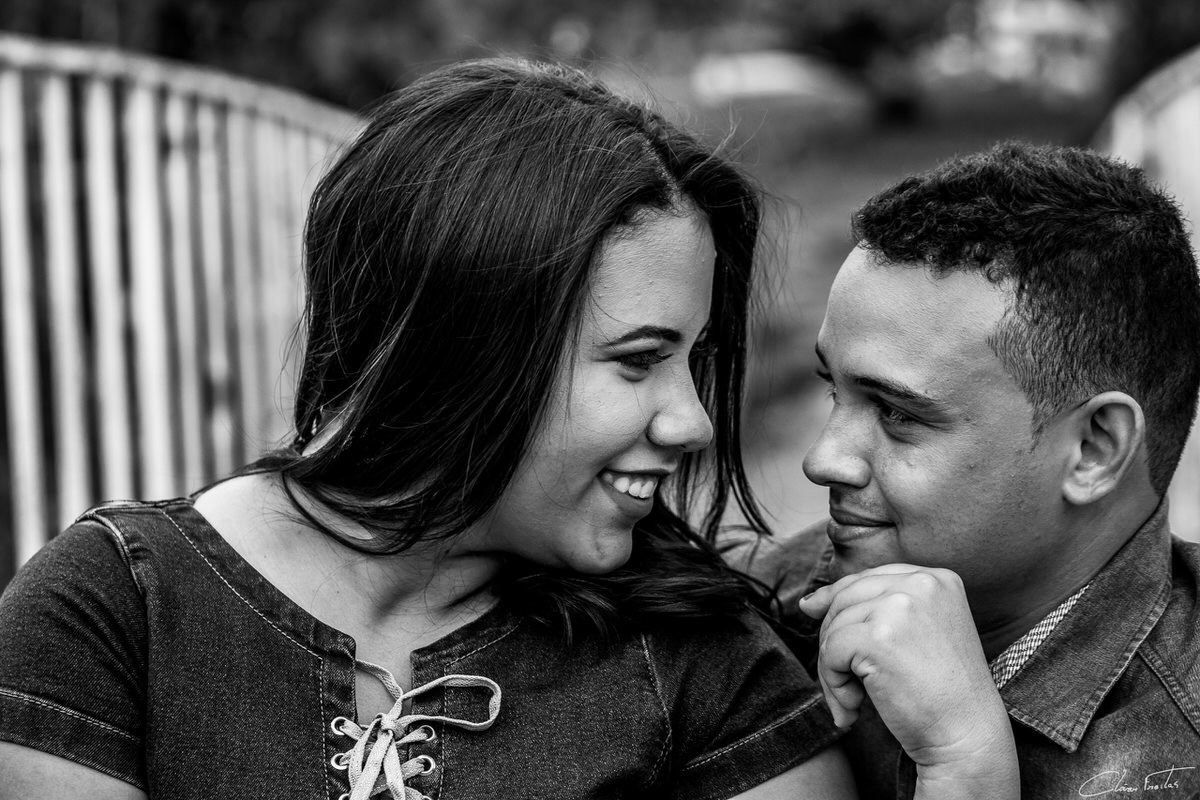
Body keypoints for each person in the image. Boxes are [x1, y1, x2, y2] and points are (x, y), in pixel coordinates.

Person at [0, 59, 1019, 800]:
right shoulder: (113, 614)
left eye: (693, 358)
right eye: (637, 359)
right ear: (465, 344)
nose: (695, 419)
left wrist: (967, 771)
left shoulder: (700, 660)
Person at [742, 141, 1200, 799]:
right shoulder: (758, 612)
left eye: (897, 413)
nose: (822, 460)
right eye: (833, 390)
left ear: (1095, 449)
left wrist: (966, 770)